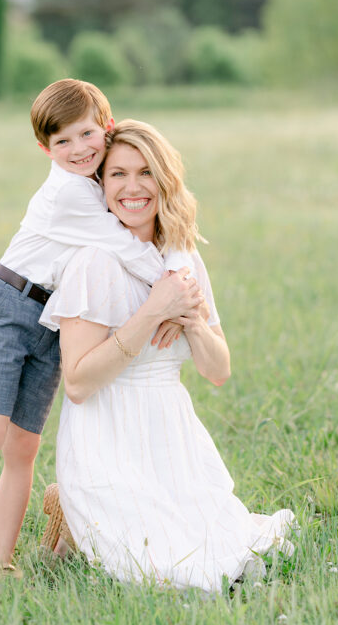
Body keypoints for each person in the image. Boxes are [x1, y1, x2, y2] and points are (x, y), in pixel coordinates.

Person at [0, 81, 203, 580]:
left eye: (86, 134)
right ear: (45, 149)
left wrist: (174, 286)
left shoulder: (102, 181)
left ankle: (2, 560)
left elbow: (147, 230)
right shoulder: (70, 192)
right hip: (6, 306)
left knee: (25, 446)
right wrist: (173, 298)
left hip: (51, 319)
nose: (78, 149)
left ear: (106, 129)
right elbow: (129, 250)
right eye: (62, 142)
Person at [40, 119, 296, 592]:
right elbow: (76, 383)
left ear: (165, 181)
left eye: (145, 173)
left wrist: (191, 318)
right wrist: (153, 311)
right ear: (100, 185)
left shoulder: (182, 259)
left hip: (170, 433)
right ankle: (76, 506)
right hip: (106, 434)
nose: (132, 188)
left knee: (224, 552)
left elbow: (218, 371)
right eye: (117, 174)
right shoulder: (93, 263)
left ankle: (73, 518)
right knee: (162, 572)